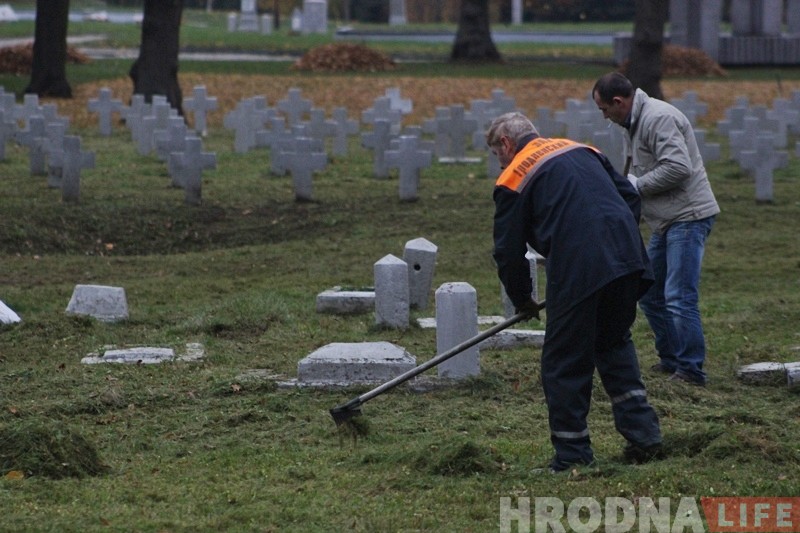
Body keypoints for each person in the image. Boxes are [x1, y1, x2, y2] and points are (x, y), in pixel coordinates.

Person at [487, 112, 662, 473]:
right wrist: (615, 239)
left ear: (505, 143)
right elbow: (630, 196)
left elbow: (508, 252)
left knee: (564, 362)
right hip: (628, 259)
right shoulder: (581, 149)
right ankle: (645, 437)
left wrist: (522, 300)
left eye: (496, 153)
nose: (499, 162)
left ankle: (572, 455)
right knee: (613, 343)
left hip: (579, 266)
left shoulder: (513, 176)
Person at [592, 72, 720, 387]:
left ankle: (690, 370)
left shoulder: (657, 118)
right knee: (649, 293)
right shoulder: (633, 122)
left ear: (618, 102)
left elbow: (678, 167)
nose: (604, 116)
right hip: (666, 220)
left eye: (604, 109)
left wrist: (637, 186)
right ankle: (672, 359)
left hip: (688, 216)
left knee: (678, 295)